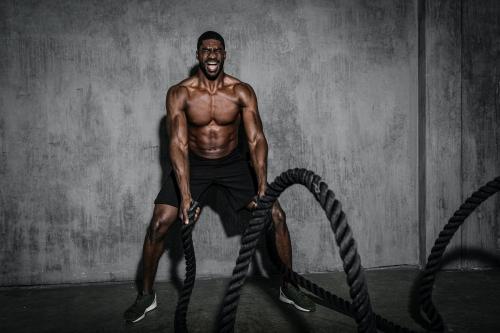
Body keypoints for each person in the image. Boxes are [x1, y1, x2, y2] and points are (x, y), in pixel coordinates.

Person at [124, 31, 315, 323]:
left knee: (276, 215)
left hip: (234, 164)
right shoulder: (180, 93)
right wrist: (186, 194)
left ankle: (288, 286)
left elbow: (255, 140)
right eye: (205, 50)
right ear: (197, 54)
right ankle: (146, 294)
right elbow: (178, 144)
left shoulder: (241, 91)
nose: (211, 55)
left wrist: (262, 185)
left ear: (224, 54)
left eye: (217, 50)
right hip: (194, 164)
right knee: (160, 223)